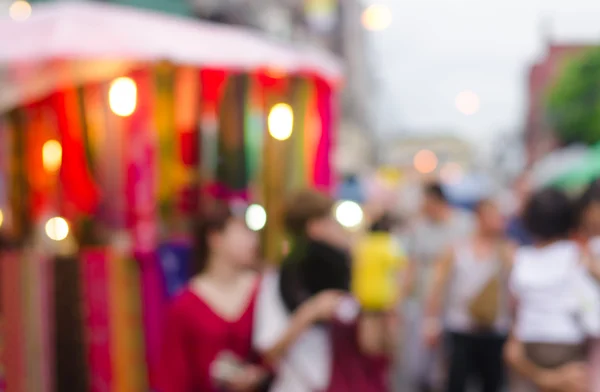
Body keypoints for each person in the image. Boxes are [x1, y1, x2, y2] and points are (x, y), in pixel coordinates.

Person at [253, 189, 395, 392]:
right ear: (315, 227)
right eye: (334, 222)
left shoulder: (352, 276)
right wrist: (312, 311)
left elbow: (375, 348)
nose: (342, 230)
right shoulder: (278, 280)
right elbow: (268, 351)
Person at [158, 202, 270, 392]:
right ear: (215, 238)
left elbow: (278, 353)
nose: (253, 241)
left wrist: (261, 374)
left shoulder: (264, 290)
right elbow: (173, 378)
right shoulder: (185, 305)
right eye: (243, 232)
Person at [505, 188, 600, 392]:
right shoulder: (577, 255)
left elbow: (515, 303)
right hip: (567, 342)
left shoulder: (521, 258)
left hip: (528, 342)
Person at [424, 199, 513, 392]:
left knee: (492, 382)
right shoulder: (457, 249)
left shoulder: (506, 251)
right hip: (460, 327)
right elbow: (438, 286)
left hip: (495, 329)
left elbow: (514, 291)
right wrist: (431, 321)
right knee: (456, 380)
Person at [402, 182, 475, 392]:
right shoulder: (418, 227)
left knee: (449, 359)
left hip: (454, 300)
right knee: (420, 360)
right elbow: (411, 265)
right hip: (423, 300)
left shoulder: (463, 223)